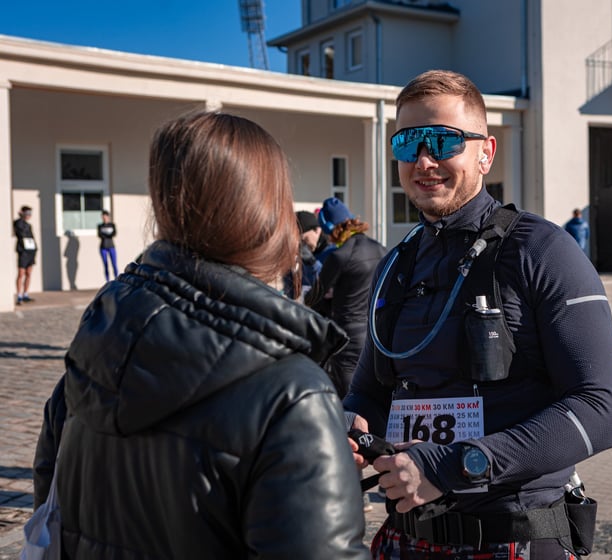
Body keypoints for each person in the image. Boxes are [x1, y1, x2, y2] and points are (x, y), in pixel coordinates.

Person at [31, 111, 368, 559]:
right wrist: (321, 462)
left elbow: (48, 514)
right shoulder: (292, 394)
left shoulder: (94, 351)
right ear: (264, 214)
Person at [344, 70, 612, 559]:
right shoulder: (394, 266)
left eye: (443, 140)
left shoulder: (542, 250)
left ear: (485, 153)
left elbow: (600, 410)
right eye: (408, 143)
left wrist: (456, 464)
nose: (424, 160)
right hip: (407, 537)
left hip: (513, 535)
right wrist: (348, 429)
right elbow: (370, 388)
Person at [305, 197, 386, 399]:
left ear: (332, 228)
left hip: (347, 339)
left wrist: (326, 301)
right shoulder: (380, 249)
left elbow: (314, 298)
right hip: (376, 335)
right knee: (374, 400)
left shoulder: (340, 255)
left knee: (350, 402)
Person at [13, 205, 37, 304]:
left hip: (30, 251)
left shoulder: (29, 225)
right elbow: (20, 232)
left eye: (30, 214)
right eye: (27, 213)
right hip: (23, 251)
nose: (28, 216)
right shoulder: (18, 223)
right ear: (22, 213)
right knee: (21, 273)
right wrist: (20, 216)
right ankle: (19, 295)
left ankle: (25, 294)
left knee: (28, 273)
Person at [96, 210, 118, 281]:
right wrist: (108, 234)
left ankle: (116, 279)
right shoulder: (100, 226)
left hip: (111, 246)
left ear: (108, 217)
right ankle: (107, 281)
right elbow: (99, 235)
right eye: (103, 217)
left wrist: (105, 234)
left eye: (105, 216)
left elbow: (114, 234)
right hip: (103, 247)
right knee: (105, 265)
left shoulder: (112, 225)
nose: (104, 218)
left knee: (114, 264)